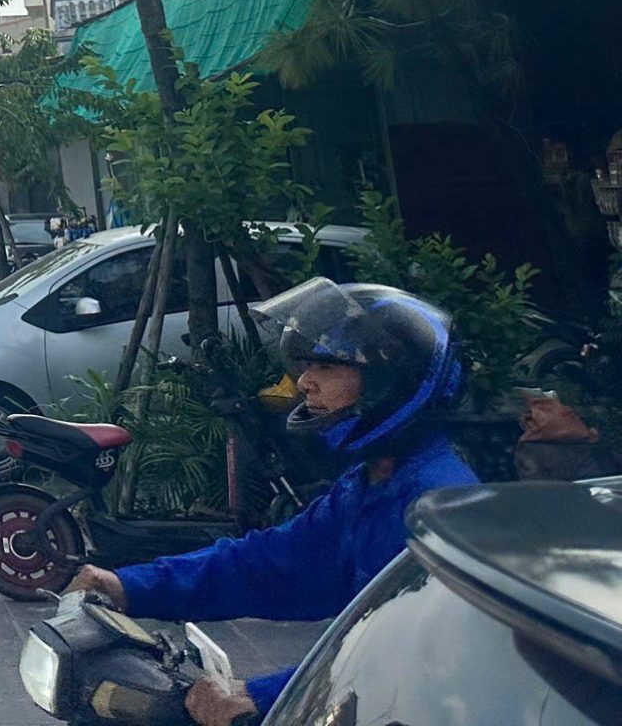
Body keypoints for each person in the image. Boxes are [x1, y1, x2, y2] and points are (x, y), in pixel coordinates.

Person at [66, 280, 479, 725]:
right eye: (307, 366)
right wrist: (127, 585)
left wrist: (262, 695)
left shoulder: (438, 504)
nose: (305, 383)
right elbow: (272, 562)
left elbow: (412, 652)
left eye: (326, 366)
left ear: (388, 382)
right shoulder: (371, 482)